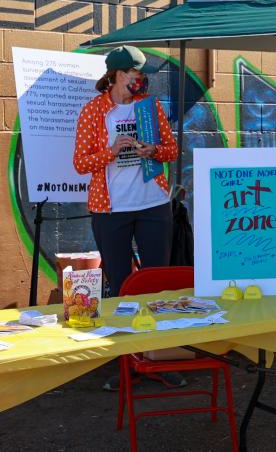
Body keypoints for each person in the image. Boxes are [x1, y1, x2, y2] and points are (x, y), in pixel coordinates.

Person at [72, 45, 181, 390]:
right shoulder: (94, 112)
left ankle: (157, 359)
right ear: (119, 74)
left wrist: (154, 151)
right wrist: (112, 150)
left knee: (155, 285)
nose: (142, 79)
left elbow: (171, 150)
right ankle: (126, 365)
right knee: (119, 286)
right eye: (137, 73)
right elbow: (81, 164)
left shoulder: (150, 107)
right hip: (111, 209)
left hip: (153, 203)